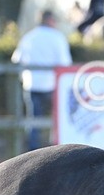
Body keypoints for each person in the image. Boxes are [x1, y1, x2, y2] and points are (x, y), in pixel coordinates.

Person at [12, 10, 72, 150]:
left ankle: (32, 153)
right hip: (53, 86)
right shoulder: (58, 37)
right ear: (50, 20)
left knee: (33, 121)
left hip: (32, 84)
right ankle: (57, 150)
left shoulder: (29, 37)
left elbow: (16, 59)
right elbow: (65, 63)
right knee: (58, 119)